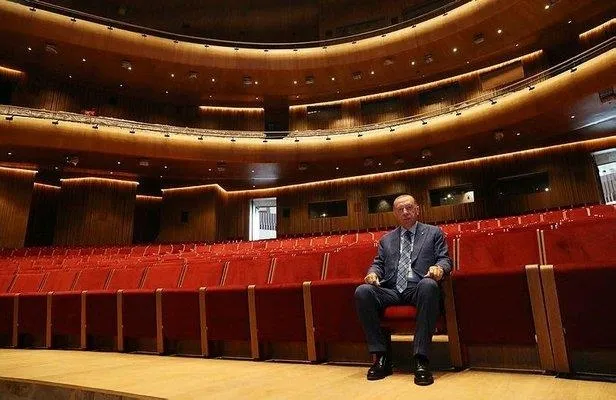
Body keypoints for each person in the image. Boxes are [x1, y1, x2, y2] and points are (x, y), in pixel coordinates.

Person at [354, 194, 451, 385]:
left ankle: (421, 358)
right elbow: (378, 264)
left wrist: (439, 268)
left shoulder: (433, 233)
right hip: (392, 289)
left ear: (417, 209)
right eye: (400, 209)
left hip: (418, 286)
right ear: (395, 214)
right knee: (363, 291)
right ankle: (381, 356)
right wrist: (372, 273)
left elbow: (444, 259)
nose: (405, 212)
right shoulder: (386, 240)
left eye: (409, 208)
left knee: (429, 285)